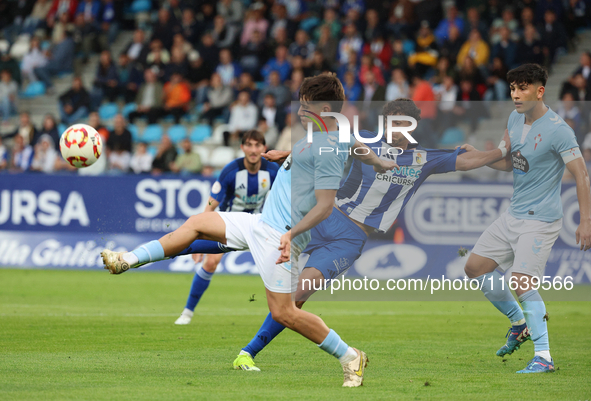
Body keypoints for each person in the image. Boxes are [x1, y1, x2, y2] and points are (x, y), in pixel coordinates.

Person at [168, 98, 512, 371]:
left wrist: (499, 151)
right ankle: (171, 246)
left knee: (298, 296)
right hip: (324, 218)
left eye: (404, 124)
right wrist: (285, 153)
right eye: (392, 121)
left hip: (350, 239)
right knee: (243, 239)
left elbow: (467, 161)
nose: (397, 129)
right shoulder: (364, 144)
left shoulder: (423, 158)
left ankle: (247, 353)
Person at [101, 74, 398, 387]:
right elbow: (356, 146)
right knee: (197, 223)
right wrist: (378, 163)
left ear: (325, 108)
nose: (299, 110)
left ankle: (351, 356)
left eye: (305, 105)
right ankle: (127, 260)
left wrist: (291, 235)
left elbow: (325, 205)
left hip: (280, 235)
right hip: (260, 223)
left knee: (285, 313)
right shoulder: (327, 135)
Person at [463, 64, 591, 374]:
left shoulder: (559, 129)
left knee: (521, 282)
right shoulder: (514, 118)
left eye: (522, 88)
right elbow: (511, 162)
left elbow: (581, 174)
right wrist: (478, 156)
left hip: (541, 220)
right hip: (514, 215)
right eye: (512, 89)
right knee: (474, 267)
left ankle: (544, 358)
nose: (516, 95)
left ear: (539, 91)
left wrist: (586, 221)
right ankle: (519, 324)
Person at [174, 130, 279, 325]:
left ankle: (283, 314)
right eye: (249, 145)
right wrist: (199, 234)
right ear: (242, 148)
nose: (253, 150)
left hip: (259, 225)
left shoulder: (273, 170)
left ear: (264, 148)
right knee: (211, 263)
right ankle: (187, 312)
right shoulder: (231, 171)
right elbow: (212, 204)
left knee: (278, 268)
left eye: (258, 145)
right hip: (229, 225)